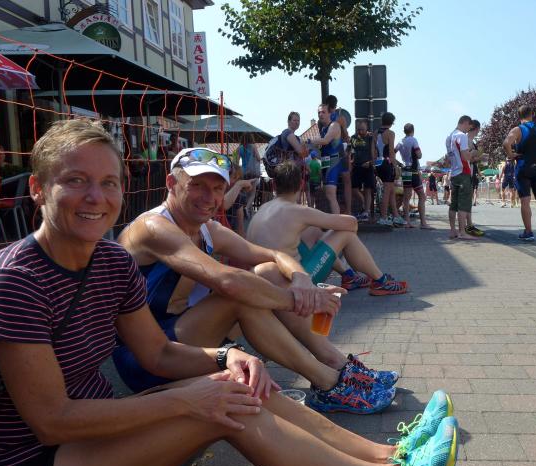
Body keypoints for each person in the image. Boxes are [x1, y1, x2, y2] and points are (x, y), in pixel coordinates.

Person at [0, 119, 460, 466]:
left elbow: (159, 352)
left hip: (96, 432)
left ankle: (387, 456)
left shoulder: (110, 261)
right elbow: (52, 420)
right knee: (221, 407)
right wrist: (187, 398)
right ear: (38, 189)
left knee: (237, 385)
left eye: (109, 182)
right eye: (76, 180)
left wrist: (228, 357)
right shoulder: (14, 280)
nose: (96, 197)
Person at [114, 146, 398, 414]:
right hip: (147, 360)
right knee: (238, 297)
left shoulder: (207, 229)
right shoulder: (152, 227)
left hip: (187, 340)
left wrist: (302, 280)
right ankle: (329, 383)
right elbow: (228, 282)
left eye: (217, 188)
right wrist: (296, 300)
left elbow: (275, 255)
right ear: (171, 184)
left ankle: (335, 362)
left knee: (268, 272)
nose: (209, 197)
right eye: (197, 185)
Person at [248, 160, 408, 296]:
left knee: (312, 231)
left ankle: (348, 275)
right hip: (294, 284)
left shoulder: (264, 208)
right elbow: (352, 223)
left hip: (262, 282)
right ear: (301, 184)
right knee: (345, 234)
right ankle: (380, 281)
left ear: (274, 185)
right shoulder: (299, 211)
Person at [503, 105, 536, 241]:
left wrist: (511, 155)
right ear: (532, 114)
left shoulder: (518, 129)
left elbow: (506, 143)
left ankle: (529, 232)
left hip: (523, 167)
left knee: (525, 201)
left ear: (519, 117)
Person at [307, 104, 342, 215]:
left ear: (330, 113)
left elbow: (326, 141)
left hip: (334, 161)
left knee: (331, 194)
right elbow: (322, 146)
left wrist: (309, 141)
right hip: (326, 162)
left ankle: (336, 222)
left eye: (323, 112)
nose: (320, 114)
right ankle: (332, 220)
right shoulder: (323, 129)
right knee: (328, 194)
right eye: (319, 112)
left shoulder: (334, 125)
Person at [445, 116, 477, 240]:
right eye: (469, 127)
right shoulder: (461, 136)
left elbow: (449, 158)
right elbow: (465, 156)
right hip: (463, 172)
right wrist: (473, 153)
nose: (468, 130)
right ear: (465, 123)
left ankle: (453, 231)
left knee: (453, 204)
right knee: (463, 204)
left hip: (454, 173)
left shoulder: (449, 137)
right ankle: (462, 232)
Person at [396, 123, 431, 229]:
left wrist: (399, 164)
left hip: (405, 170)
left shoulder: (400, 141)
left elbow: (392, 153)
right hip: (413, 170)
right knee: (422, 196)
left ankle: (407, 222)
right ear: (413, 130)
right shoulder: (413, 140)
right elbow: (419, 155)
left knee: (406, 197)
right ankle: (423, 223)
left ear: (404, 131)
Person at [375, 112, 404, 226]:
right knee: (387, 192)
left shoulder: (375, 133)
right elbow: (391, 152)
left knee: (391, 191)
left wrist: (373, 163)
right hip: (387, 164)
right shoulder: (390, 133)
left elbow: (373, 151)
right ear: (392, 123)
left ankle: (396, 216)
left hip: (378, 163)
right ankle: (383, 217)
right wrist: (395, 167)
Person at [349, 119, 377, 221]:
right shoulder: (353, 138)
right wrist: (350, 163)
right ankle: (364, 203)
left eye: (362, 129)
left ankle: (366, 212)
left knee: (368, 189)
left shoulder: (370, 137)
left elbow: (375, 153)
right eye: (359, 129)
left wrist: (370, 162)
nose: (360, 131)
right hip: (356, 166)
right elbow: (350, 151)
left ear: (366, 128)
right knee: (354, 189)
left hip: (367, 166)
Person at [465, 120, 486, 236]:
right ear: (477, 129)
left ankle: (468, 224)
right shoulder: (467, 140)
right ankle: (468, 226)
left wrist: (478, 158)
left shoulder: (469, 140)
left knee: (467, 200)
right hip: (466, 172)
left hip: (469, 171)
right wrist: (479, 157)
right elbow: (467, 158)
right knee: (466, 200)